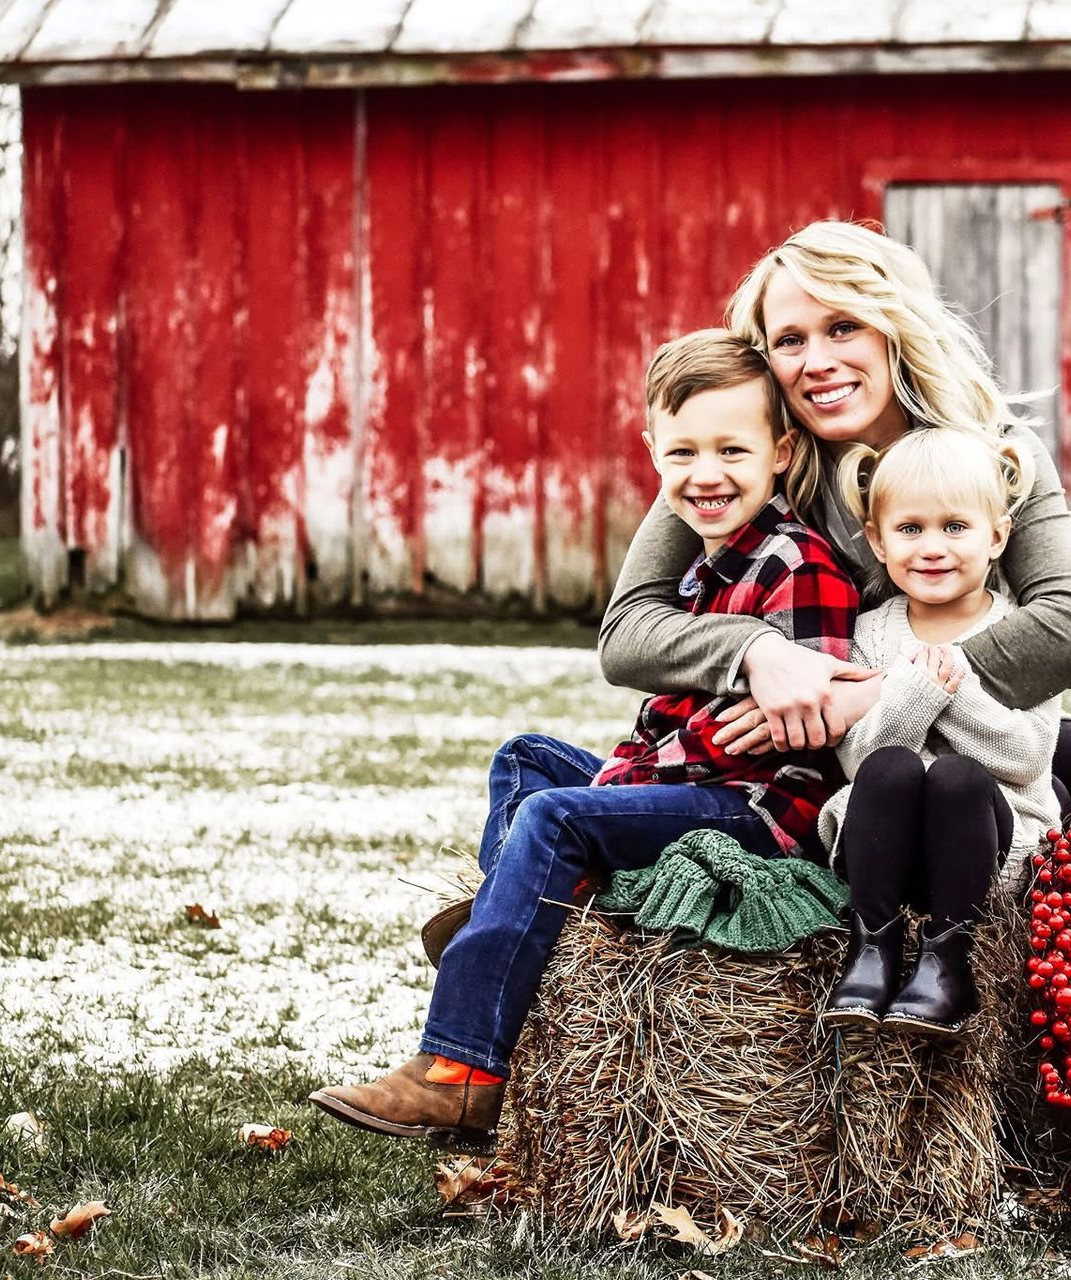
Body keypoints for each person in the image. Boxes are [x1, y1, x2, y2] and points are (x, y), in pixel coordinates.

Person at [309, 330, 859, 1152]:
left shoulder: (797, 563)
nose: (706, 474)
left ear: (781, 452)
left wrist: (641, 773)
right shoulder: (703, 563)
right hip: (688, 780)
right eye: (683, 451)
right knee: (527, 759)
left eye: (732, 451)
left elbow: (801, 721)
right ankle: (526, 913)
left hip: (756, 813)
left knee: (557, 817)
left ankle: (461, 1067)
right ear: (652, 453)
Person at [599, 219, 1071, 838]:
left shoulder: (993, 453)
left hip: (970, 720)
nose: (818, 362)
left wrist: (883, 691)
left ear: (894, 326)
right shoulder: (748, 458)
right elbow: (628, 631)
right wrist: (757, 652)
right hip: (810, 752)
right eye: (789, 340)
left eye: (843, 327)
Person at [815, 427, 1060, 1036]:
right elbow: (859, 759)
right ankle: (872, 946)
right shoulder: (871, 631)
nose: (932, 548)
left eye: (955, 528)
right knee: (891, 768)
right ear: (876, 538)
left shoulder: (1025, 634)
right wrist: (915, 690)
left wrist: (953, 687)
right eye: (909, 529)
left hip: (983, 847)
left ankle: (946, 962)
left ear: (997, 536)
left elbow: (1027, 756)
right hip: (886, 850)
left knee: (954, 777)